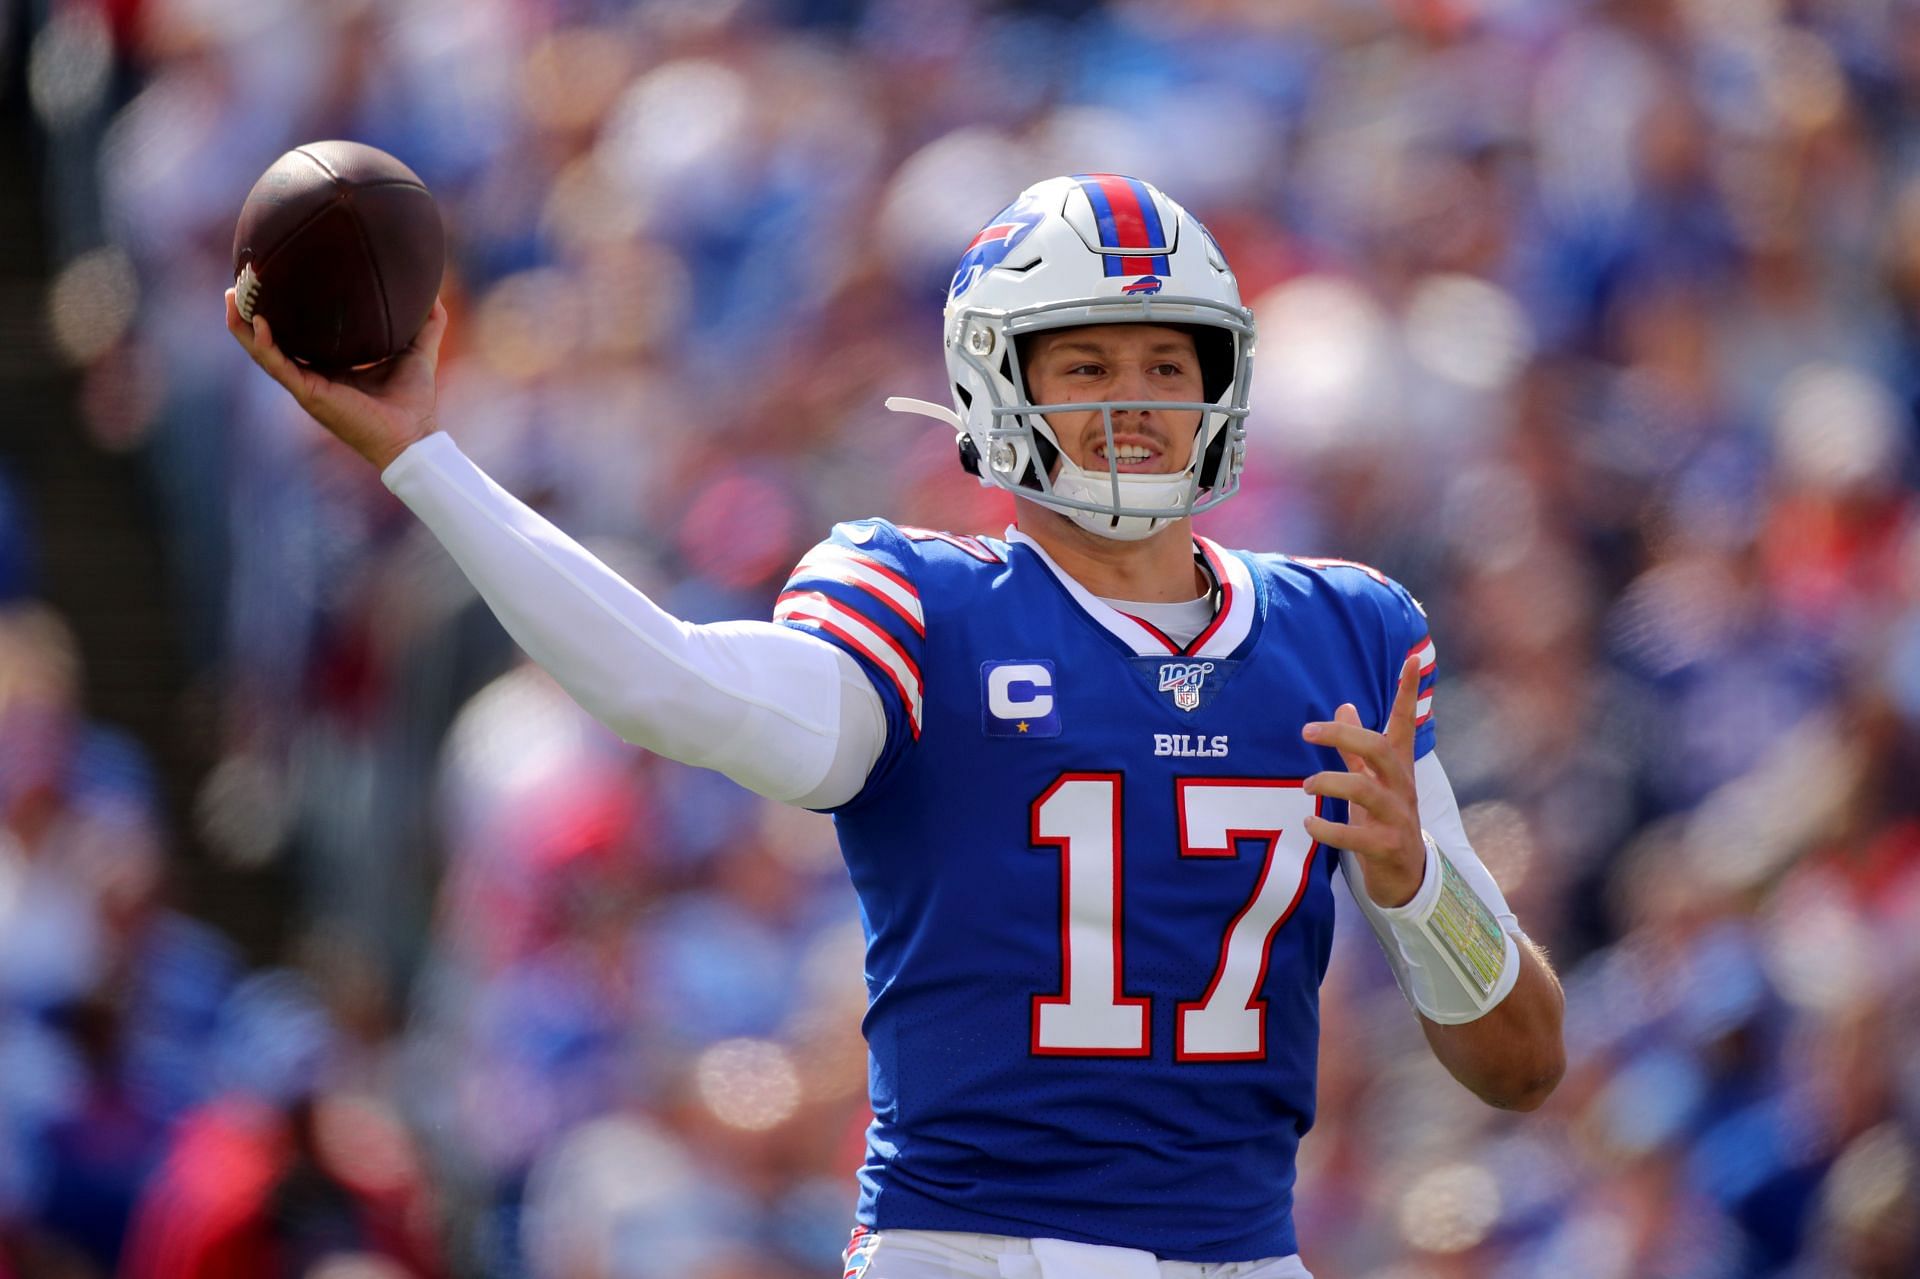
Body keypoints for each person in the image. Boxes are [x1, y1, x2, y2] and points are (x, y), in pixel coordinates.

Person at [226, 173, 1565, 1279]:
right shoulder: (927, 604)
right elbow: (672, 686)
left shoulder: (1346, 634)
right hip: (973, 1254)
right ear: (996, 384)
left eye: (1169, 359)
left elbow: (1520, 1064)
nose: (1134, 401)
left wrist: (1421, 885)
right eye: (1084, 360)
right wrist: (423, 458)